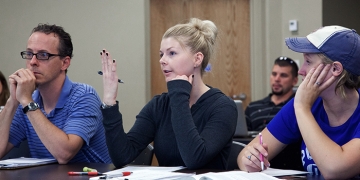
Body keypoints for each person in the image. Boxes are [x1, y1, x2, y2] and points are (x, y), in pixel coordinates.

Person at [100, 18, 237, 169]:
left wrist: (178, 94)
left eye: (172, 53)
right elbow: (122, 156)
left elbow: (194, 159)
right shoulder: (159, 105)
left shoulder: (223, 107)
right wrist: (109, 101)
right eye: (161, 54)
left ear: (197, 59)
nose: (162, 61)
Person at [238, 25, 360, 179]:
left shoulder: (303, 104)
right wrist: (249, 159)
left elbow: (334, 170)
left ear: (335, 69)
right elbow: (244, 154)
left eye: (308, 61)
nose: (301, 70)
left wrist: (302, 108)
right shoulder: (305, 103)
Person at [0, 24, 111, 164]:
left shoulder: (84, 96)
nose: (33, 62)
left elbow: (64, 154)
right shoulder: (27, 101)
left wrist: (27, 102)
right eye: (29, 54)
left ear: (64, 63)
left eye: (43, 55)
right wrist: (12, 101)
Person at [245, 56, 298, 131]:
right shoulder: (252, 107)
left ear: (294, 81)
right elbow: (241, 137)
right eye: (274, 74)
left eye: (283, 75)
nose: (277, 79)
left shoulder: (297, 106)